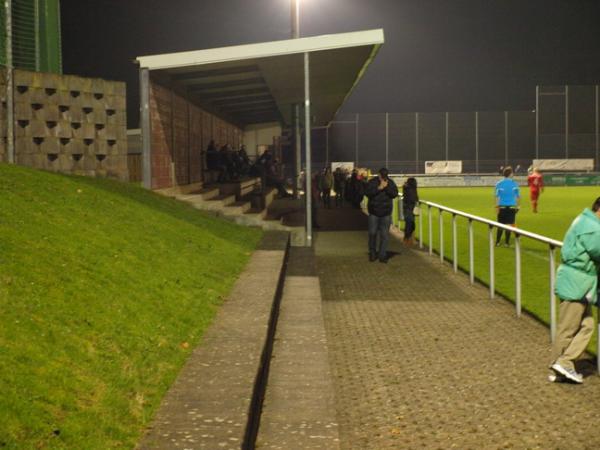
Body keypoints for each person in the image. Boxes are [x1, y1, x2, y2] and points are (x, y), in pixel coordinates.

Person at [548, 197, 600, 384]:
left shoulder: (584, 220)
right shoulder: (593, 228)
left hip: (574, 281)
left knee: (586, 326)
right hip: (577, 283)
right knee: (569, 328)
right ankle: (562, 363)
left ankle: (559, 367)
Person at [365, 168, 399, 263]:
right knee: (372, 234)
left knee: (384, 236)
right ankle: (372, 253)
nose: (384, 177)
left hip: (386, 213)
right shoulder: (372, 182)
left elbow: (394, 194)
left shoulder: (390, 183)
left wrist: (386, 187)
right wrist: (379, 188)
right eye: (382, 175)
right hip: (374, 213)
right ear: (379, 174)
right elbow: (367, 193)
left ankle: (382, 255)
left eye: (385, 175)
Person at [494, 166, 520, 247]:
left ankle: (497, 242)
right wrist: (518, 206)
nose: (513, 174)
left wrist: (497, 207)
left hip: (501, 207)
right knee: (509, 225)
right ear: (510, 174)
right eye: (512, 172)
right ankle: (506, 243)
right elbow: (517, 197)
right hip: (511, 208)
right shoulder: (514, 184)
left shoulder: (498, 184)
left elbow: (497, 197)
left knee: (500, 225)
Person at [402, 177, 419, 246]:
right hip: (409, 209)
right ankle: (407, 240)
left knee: (410, 224)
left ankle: (409, 240)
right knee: (410, 225)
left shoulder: (407, 188)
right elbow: (414, 199)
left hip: (408, 208)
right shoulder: (410, 189)